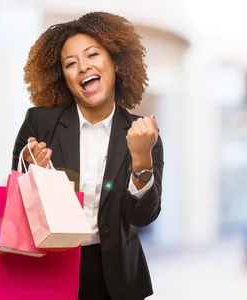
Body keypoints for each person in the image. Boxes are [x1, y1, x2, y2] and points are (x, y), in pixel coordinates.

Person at [11, 12, 163, 300]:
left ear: (115, 63)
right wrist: (36, 175)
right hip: (51, 271)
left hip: (118, 280)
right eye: (70, 63)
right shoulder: (40, 123)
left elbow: (143, 217)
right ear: (63, 78)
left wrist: (141, 158)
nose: (82, 67)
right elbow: (16, 204)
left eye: (92, 55)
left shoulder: (143, 133)